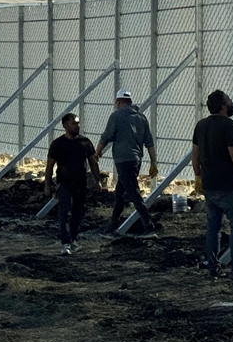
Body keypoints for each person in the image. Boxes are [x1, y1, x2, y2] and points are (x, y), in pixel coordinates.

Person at [192, 89, 233, 278]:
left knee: (213, 227)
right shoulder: (229, 126)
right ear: (222, 106)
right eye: (228, 100)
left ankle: (213, 265)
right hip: (228, 185)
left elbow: (195, 155)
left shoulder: (201, 125)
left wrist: (198, 176)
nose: (231, 102)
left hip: (209, 185)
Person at [96, 89, 159, 234]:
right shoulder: (141, 118)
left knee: (134, 193)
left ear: (118, 102)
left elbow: (106, 136)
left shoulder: (116, 116)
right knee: (120, 192)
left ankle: (149, 227)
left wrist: (97, 152)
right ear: (130, 102)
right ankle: (113, 223)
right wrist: (153, 162)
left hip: (122, 160)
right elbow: (149, 142)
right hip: (136, 160)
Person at [44, 112, 101, 255]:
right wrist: (47, 184)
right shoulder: (57, 144)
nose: (77, 126)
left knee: (78, 212)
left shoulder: (84, 142)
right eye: (74, 124)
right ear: (65, 125)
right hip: (64, 183)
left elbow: (93, 163)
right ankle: (65, 243)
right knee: (64, 212)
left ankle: (73, 239)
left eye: (78, 123)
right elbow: (50, 166)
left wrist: (97, 180)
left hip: (81, 183)